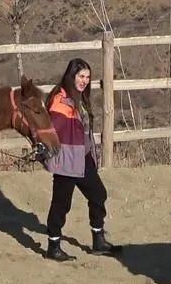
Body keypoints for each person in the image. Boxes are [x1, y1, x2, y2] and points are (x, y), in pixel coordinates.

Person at [42, 58, 122, 261]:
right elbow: (50, 130)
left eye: (87, 77)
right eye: (81, 76)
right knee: (61, 204)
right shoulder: (59, 100)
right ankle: (53, 246)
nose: (85, 80)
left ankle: (98, 240)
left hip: (83, 158)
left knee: (98, 195)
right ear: (72, 76)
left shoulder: (79, 98)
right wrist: (47, 155)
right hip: (66, 160)